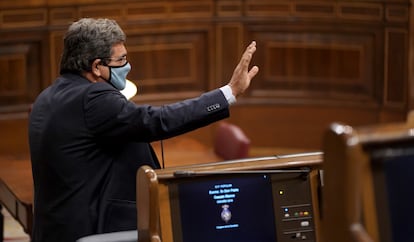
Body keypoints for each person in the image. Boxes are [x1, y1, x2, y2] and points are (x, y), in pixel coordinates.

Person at [28, 18, 258, 242]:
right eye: (121, 60)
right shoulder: (93, 97)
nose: (127, 67)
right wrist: (229, 93)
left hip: (55, 229)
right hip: (94, 231)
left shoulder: (47, 97)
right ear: (97, 66)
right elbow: (156, 121)